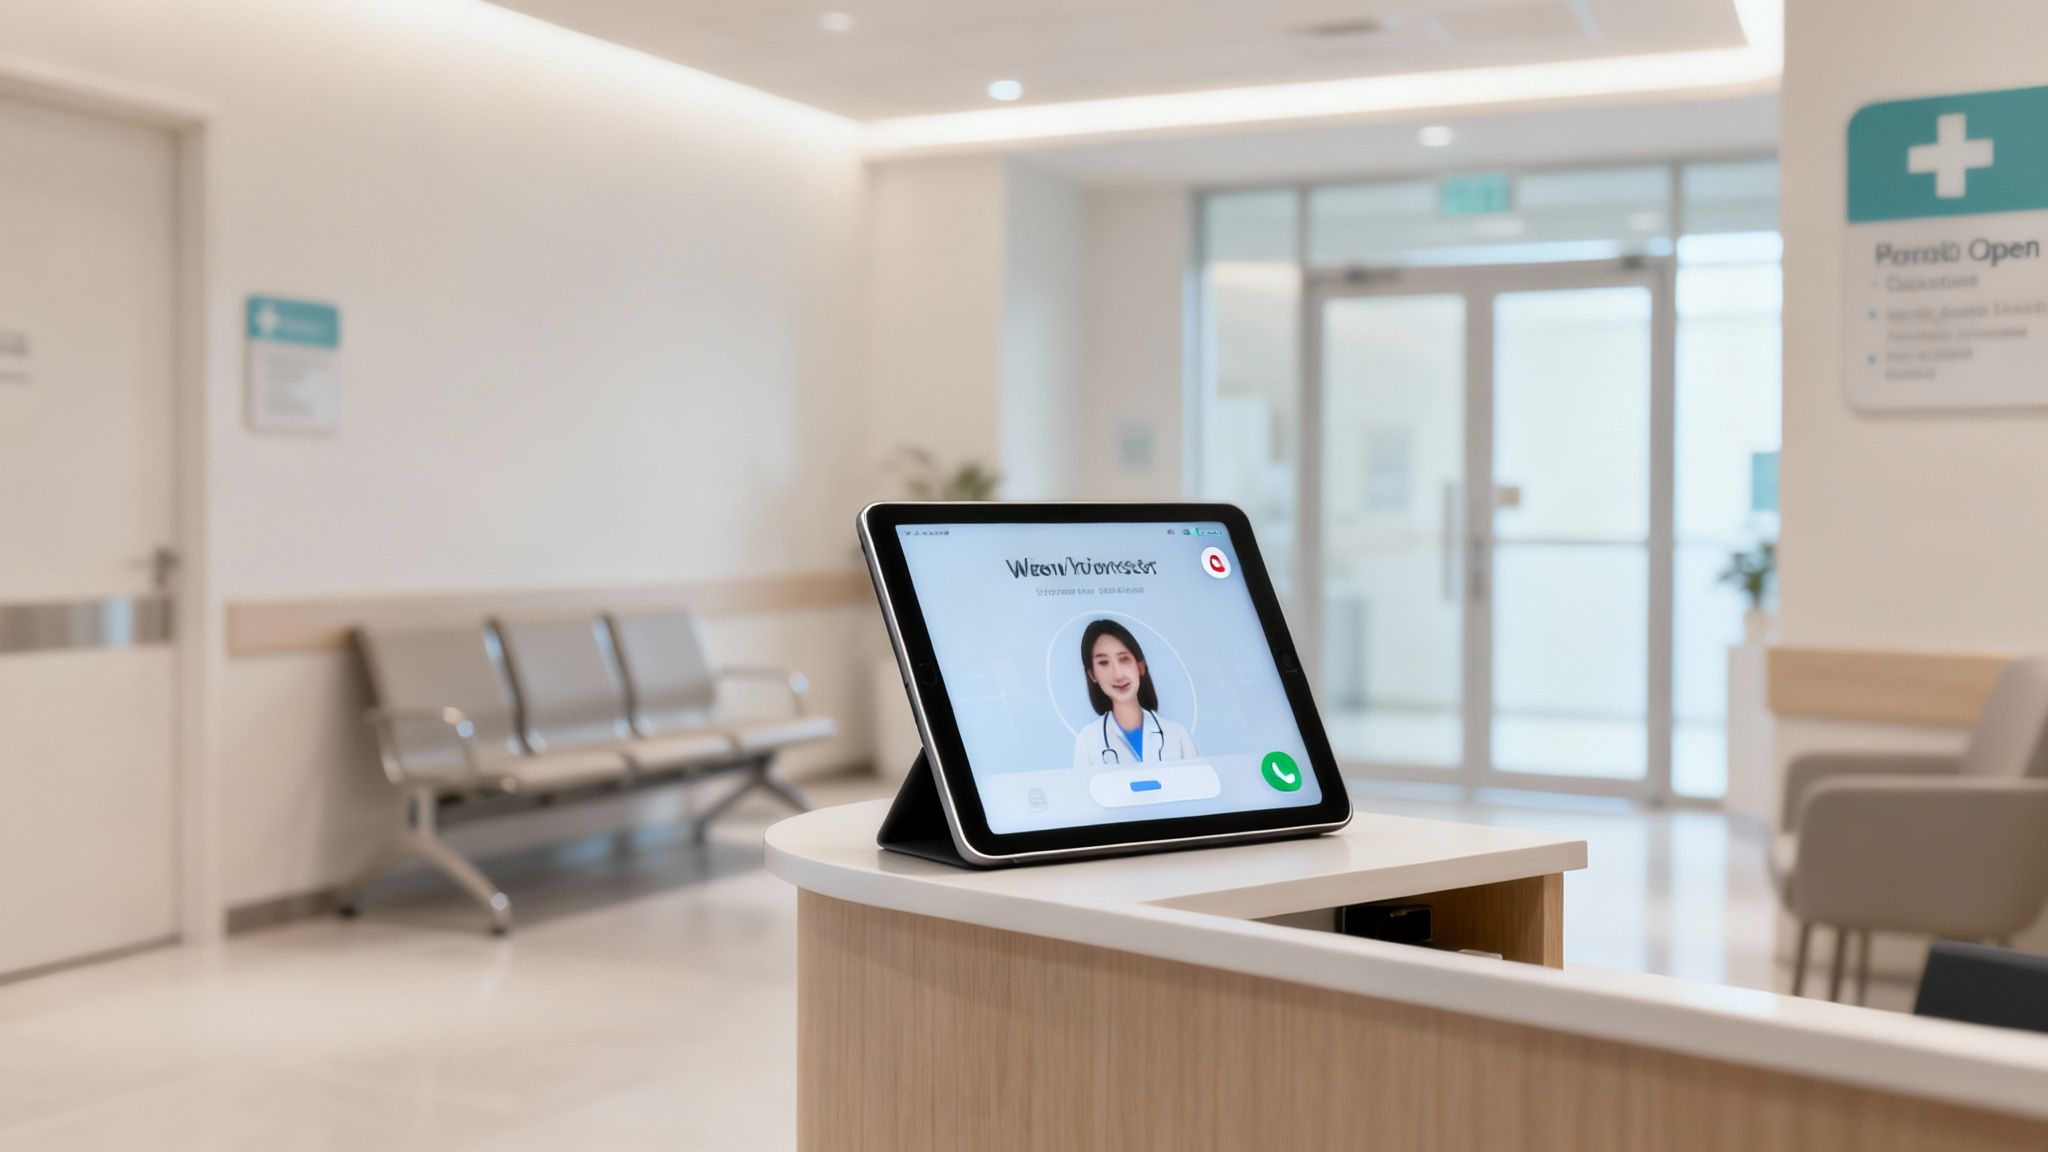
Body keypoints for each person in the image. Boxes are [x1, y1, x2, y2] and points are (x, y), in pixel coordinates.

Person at [1070, 619, 1197, 767]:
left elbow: (1201, 788)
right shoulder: (1088, 740)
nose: (1118, 675)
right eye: (1104, 663)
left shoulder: (1177, 735)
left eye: (1124, 659)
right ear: (1092, 675)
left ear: (1140, 666)